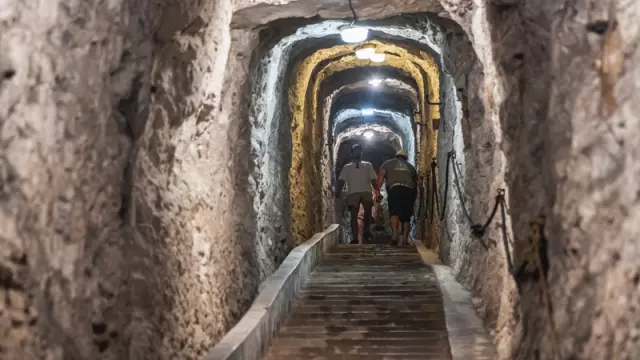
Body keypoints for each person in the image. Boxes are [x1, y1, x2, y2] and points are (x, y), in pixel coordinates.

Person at [335, 144, 378, 244]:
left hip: (366, 191)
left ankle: (366, 230)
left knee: (368, 211)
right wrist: (338, 191)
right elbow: (341, 180)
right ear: (352, 153)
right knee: (353, 215)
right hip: (353, 192)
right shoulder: (347, 167)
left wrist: (377, 190)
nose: (357, 152)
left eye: (359, 150)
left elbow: (373, 179)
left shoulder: (368, 165)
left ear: (361, 152)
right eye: (355, 150)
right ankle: (355, 238)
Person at [376, 150, 418, 246]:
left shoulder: (387, 164)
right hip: (408, 190)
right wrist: (413, 198)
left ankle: (395, 235)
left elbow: (381, 177)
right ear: (406, 158)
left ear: (396, 156)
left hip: (394, 188)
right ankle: (405, 240)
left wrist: (378, 191)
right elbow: (415, 184)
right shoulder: (411, 167)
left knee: (394, 213)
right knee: (406, 217)